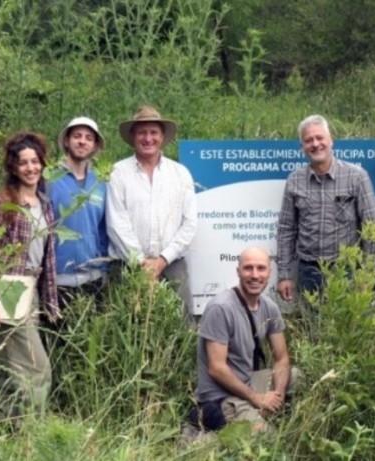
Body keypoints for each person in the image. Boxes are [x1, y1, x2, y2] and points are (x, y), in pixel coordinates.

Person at [0, 132, 59, 427]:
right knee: (37, 367)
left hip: (32, 290)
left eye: (35, 161)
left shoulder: (44, 203)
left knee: (11, 369)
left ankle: (6, 434)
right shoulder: (2, 204)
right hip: (7, 289)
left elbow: (46, 256)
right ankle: (29, 430)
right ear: (13, 167)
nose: (31, 168)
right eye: (24, 163)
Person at [192, 246, 301, 433]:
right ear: (238, 272)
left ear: (269, 272)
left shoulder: (269, 307)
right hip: (220, 396)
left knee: (297, 376)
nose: (255, 275)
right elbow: (216, 368)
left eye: (261, 268)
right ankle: (211, 431)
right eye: (248, 268)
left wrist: (279, 395)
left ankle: (263, 414)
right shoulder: (221, 308)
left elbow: (281, 358)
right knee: (267, 439)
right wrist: (257, 398)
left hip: (247, 382)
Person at [276, 115, 375, 305]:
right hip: (308, 272)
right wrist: (283, 275)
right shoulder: (294, 181)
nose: (315, 144)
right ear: (302, 147)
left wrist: (368, 275)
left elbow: (371, 229)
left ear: (331, 141)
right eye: (308, 140)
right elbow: (285, 230)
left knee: (348, 330)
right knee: (313, 330)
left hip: (347, 270)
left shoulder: (357, 177)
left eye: (320, 138)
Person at [106, 105, 197, 317]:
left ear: (163, 137)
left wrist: (162, 260)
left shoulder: (180, 173)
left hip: (172, 265)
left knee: (181, 326)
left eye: (154, 132)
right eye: (142, 132)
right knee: (129, 328)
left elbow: (190, 223)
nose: (148, 138)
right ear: (133, 136)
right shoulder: (117, 173)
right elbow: (116, 222)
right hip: (128, 267)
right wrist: (141, 263)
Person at [49, 116, 109, 309]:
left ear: (95, 145)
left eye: (89, 138)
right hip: (58, 279)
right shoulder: (49, 179)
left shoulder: (101, 183)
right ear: (67, 141)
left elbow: (104, 230)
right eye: (77, 136)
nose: (82, 141)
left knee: (92, 338)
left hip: (94, 278)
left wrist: (104, 268)